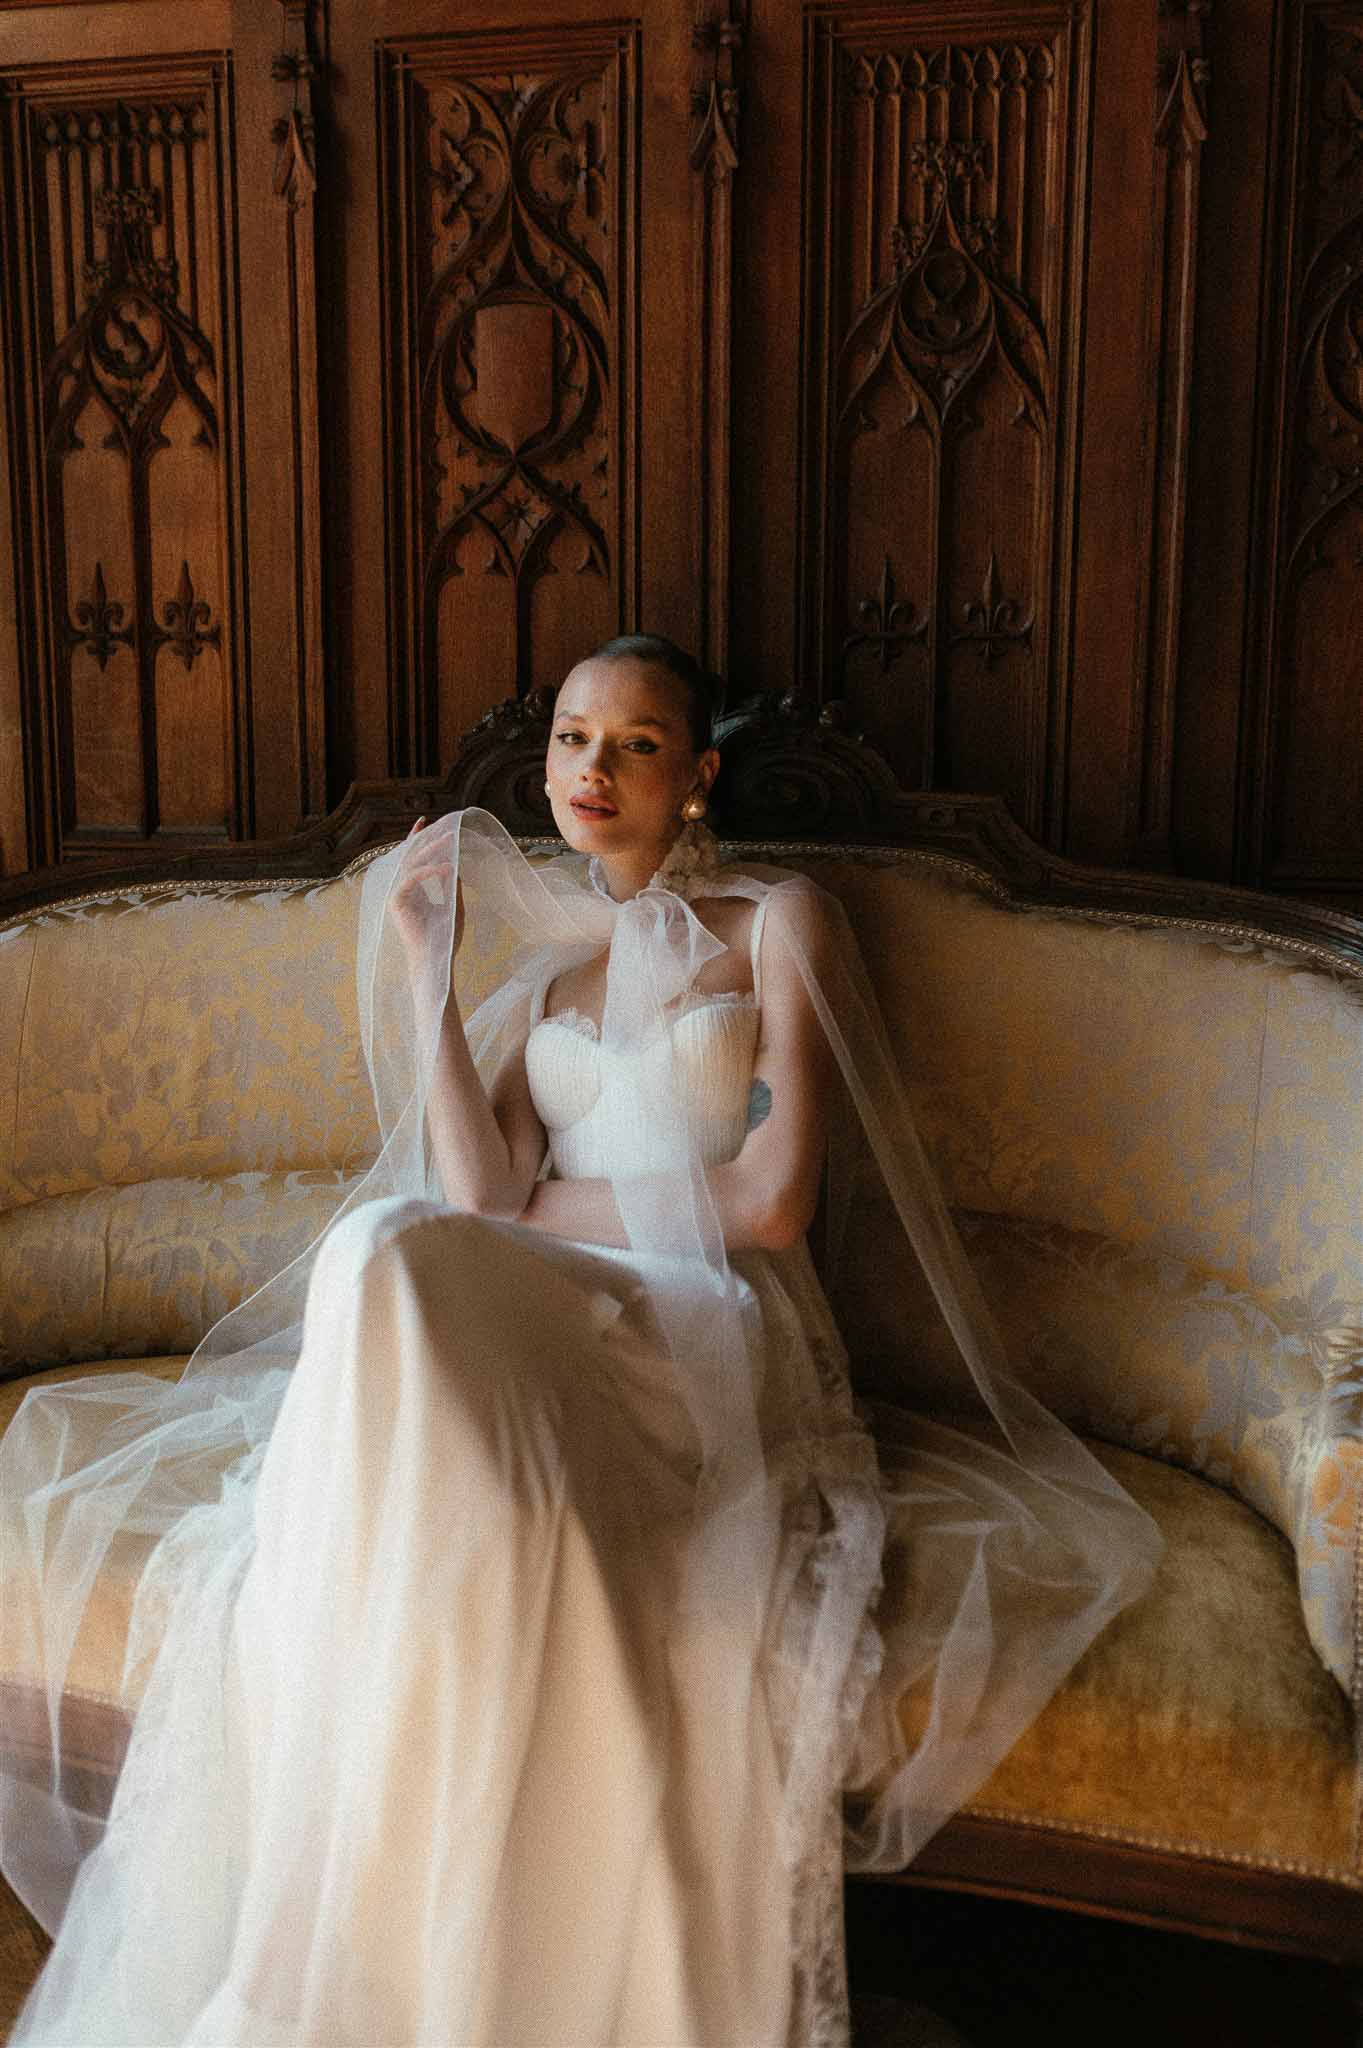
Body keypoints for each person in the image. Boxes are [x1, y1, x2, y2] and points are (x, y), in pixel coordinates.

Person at [0, 635, 1161, 2046]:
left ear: (698, 775)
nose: (591, 771)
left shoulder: (779, 920)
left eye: (634, 745)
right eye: (569, 740)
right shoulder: (550, 974)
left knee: (393, 1256)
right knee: (378, 1249)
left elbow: (772, 1200)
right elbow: (475, 1191)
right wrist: (427, 974)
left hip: (707, 1330)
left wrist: (549, 1202)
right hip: (553, 1313)